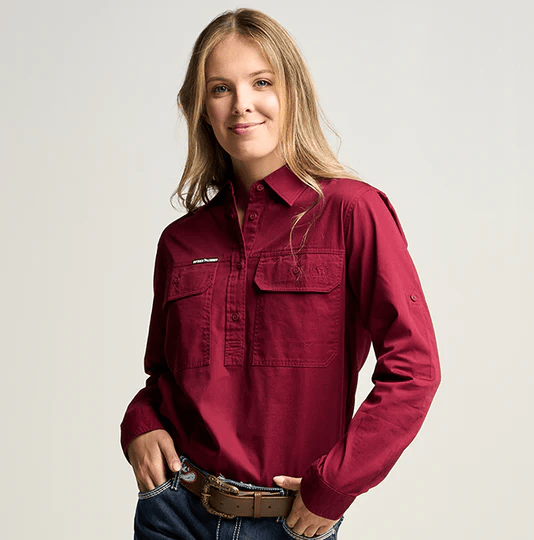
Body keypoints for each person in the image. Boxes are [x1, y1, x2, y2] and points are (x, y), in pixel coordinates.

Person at [120, 8, 441, 540]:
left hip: (288, 525)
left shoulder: (352, 212)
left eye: (261, 82)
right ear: (202, 110)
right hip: (173, 514)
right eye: (220, 88)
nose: (241, 104)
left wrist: (334, 485)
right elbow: (163, 377)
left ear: (293, 93)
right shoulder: (180, 241)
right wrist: (140, 423)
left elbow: (415, 369)